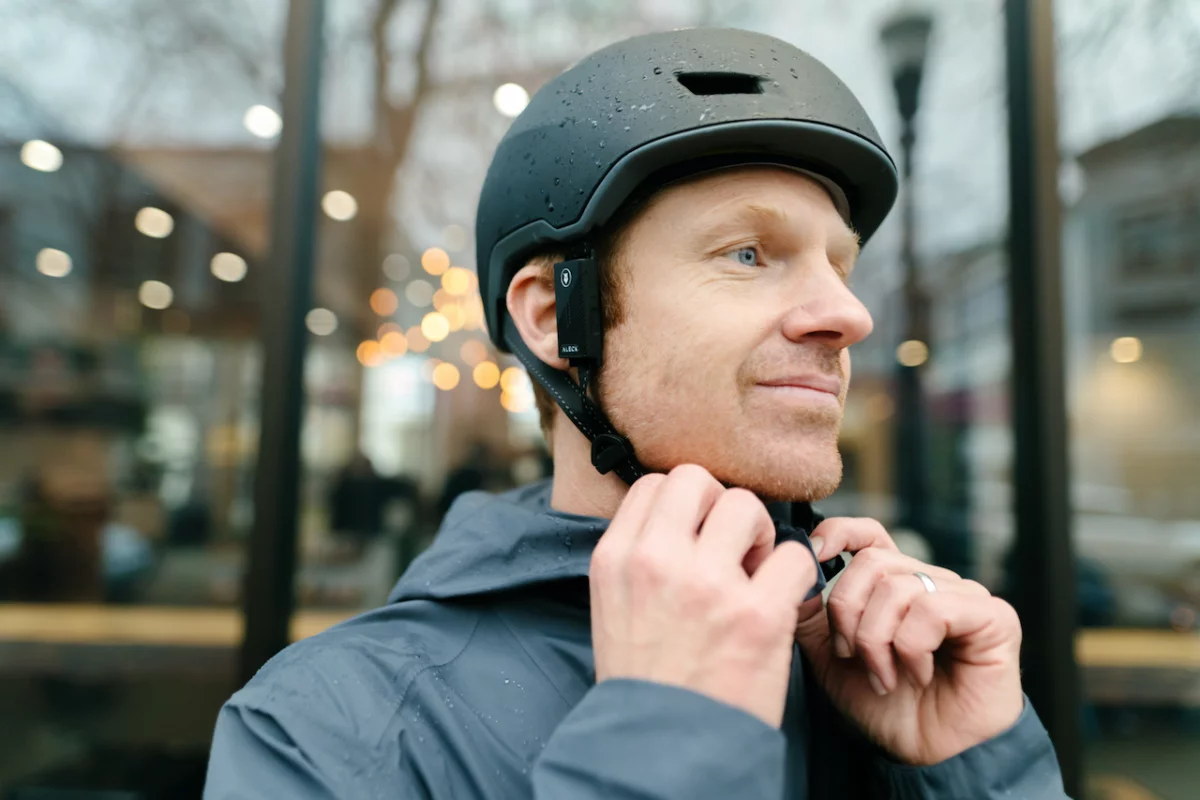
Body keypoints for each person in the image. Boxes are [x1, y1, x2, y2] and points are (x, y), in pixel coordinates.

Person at [204, 29, 1070, 798]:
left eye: (839, 266)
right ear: (552, 316)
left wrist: (976, 771)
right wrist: (666, 745)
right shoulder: (325, 735)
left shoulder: (891, 676)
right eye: (749, 252)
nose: (849, 315)